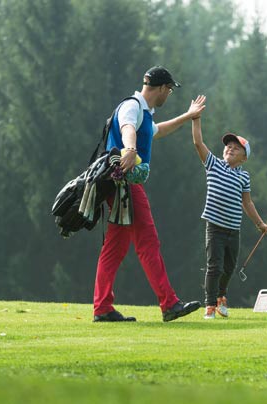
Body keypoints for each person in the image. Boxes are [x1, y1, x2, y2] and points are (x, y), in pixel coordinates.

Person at [92, 66, 205, 322]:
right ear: (163, 88)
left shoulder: (143, 111)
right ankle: (169, 303)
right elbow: (127, 128)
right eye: (169, 91)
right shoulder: (133, 106)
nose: (169, 95)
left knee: (115, 247)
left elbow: (158, 131)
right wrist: (130, 148)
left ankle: (102, 307)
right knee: (148, 243)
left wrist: (188, 116)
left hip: (117, 184)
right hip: (125, 185)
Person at [189, 95, 267, 320]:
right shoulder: (213, 164)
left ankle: (221, 296)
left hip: (233, 230)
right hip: (214, 227)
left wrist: (260, 224)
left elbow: (248, 203)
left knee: (229, 268)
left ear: (244, 158)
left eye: (236, 148)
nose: (230, 149)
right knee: (214, 266)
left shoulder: (244, 176)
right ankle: (209, 306)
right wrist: (195, 118)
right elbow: (198, 143)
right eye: (228, 146)